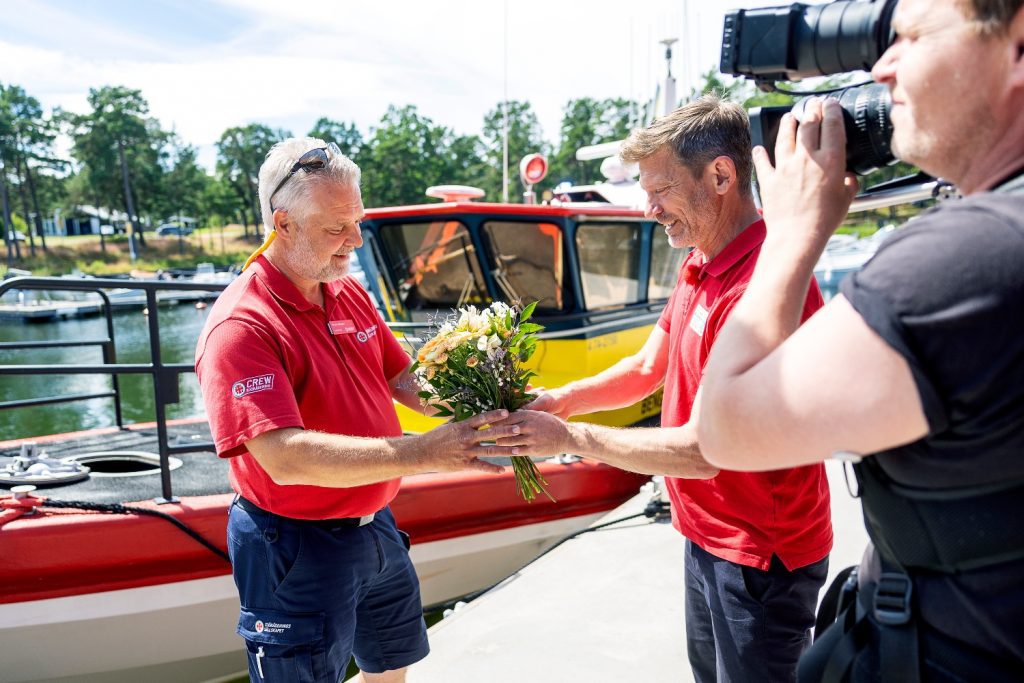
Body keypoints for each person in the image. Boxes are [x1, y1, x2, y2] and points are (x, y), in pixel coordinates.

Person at [696, 0, 1024, 679]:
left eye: (907, 37)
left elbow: (723, 426)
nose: (881, 68)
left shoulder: (970, 261)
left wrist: (790, 231)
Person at [501, 96, 833, 682]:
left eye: (661, 190)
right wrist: (559, 399)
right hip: (707, 536)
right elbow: (646, 367)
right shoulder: (702, 263)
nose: (649, 209)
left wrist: (567, 435)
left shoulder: (763, 284)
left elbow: (701, 452)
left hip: (760, 554)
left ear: (721, 175)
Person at [195, 137, 519, 683]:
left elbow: (401, 378)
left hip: (376, 528)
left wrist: (488, 402)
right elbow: (283, 457)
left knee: (391, 669)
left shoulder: (344, 290)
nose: (354, 240)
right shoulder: (242, 326)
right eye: (335, 227)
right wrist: (426, 452)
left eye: (357, 220)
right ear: (284, 223)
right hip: (294, 543)